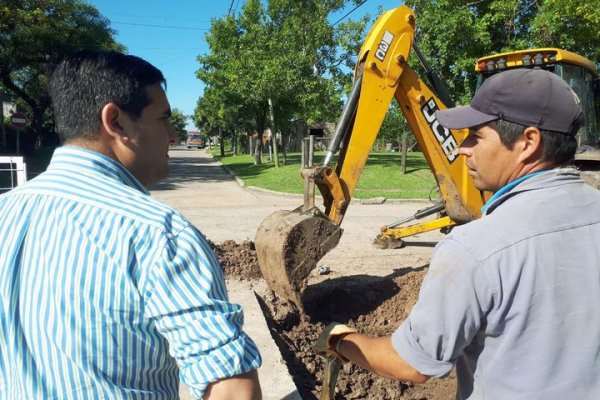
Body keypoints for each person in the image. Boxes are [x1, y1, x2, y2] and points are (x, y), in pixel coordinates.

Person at [315, 68, 600, 399]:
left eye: (476, 137)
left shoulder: (476, 248)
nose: (463, 148)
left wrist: (340, 340)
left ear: (528, 143)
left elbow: (412, 364)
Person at [0, 51, 262, 399]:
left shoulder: (6, 210)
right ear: (116, 122)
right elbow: (233, 389)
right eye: (164, 119)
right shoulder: (158, 235)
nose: (173, 135)